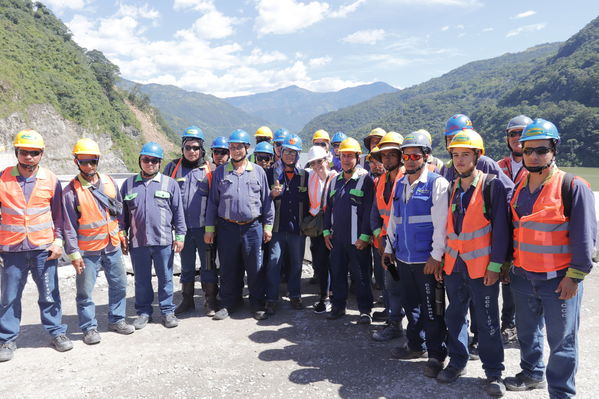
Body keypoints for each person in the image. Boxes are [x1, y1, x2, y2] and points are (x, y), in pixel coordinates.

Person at [504, 119, 596, 398]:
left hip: (559, 281)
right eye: (528, 150)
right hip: (522, 276)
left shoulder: (572, 186)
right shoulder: (520, 186)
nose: (533, 156)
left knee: (562, 343)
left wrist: (575, 276)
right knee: (527, 334)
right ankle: (532, 374)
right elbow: (516, 230)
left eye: (541, 150)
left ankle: (561, 393)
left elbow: (586, 237)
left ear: (554, 150)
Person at [437, 130, 512, 397]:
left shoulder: (492, 185)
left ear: (477, 156)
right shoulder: (453, 187)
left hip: (482, 268)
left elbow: (502, 229)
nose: (459, 160)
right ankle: (457, 362)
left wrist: (496, 265)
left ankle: (494, 372)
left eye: (465, 154)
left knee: (487, 319)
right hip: (455, 266)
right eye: (455, 155)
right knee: (455, 315)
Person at [0, 129, 72, 362]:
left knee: (49, 293)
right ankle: (7, 339)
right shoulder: (3, 178)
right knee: (9, 296)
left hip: (43, 248)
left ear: (41, 154)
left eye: (34, 153)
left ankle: (57, 332)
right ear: (16, 152)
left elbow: (59, 216)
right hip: (12, 249)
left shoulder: (50, 179)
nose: (29, 157)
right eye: (24, 152)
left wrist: (59, 241)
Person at [382, 130, 449, 378]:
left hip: (426, 261)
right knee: (412, 306)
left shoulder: (437, 184)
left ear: (426, 156)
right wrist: (389, 249)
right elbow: (393, 220)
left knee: (432, 309)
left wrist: (436, 256)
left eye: (415, 155)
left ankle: (435, 354)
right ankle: (414, 344)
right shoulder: (400, 184)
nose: (409, 159)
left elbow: (441, 225)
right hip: (403, 258)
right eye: (406, 155)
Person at [62, 138, 134, 346]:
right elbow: (69, 226)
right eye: (83, 162)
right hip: (88, 251)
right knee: (85, 291)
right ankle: (89, 327)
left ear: (98, 161)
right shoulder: (71, 192)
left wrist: (121, 234)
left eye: (92, 161)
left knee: (119, 284)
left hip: (111, 246)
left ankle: (117, 319)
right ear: (76, 162)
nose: (89, 166)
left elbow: (118, 211)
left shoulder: (110, 182)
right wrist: (74, 254)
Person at [204, 129, 274, 321]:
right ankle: (228, 303)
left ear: (247, 148)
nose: (235, 151)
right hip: (228, 228)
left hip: (253, 227)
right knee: (228, 267)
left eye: (239, 147)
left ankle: (257, 303)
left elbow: (267, 202)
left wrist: (267, 227)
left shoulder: (258, 172)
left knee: (255, 268)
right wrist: (210, 229)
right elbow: (212, 203)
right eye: (232, 147)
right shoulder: (220, 172)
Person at [121, 142, 186, 330]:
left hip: (163, 241)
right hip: (138, 241)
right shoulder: (129, 184)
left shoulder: (169, 183)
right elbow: (122, 215)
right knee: (141, 279)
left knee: (166, 277)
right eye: (146, 160)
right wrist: (121, 235)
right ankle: (143, 312)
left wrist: (180, 236)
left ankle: (167, 311)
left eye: (154, 160)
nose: (150, 163)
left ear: (159, 163)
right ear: (140, 161)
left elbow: (178, 213)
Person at [163, 126, 218, 317]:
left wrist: (210, 228)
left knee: (208, 266)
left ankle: (210, 301)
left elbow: (214, 202)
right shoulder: (172, 168)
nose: (192, 151)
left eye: (196, 147)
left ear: (202, 149)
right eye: (188, 147)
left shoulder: (210, 170)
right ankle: (187, 301)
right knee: (186, 267)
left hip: (204, 229)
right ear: (182, 148)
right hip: (182, 231)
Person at [323, 138, 374, 324]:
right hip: (337, 239)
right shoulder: (335, 180)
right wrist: (326, 232)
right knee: (337, 273)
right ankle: (338, 307)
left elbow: (369, 210)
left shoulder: (365, 180)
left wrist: (364, 236)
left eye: (350, 156)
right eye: (343, 156)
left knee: (361, 277)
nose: (346, 159)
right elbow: (328, 208)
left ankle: (365, 310)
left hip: (357, 240)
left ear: (357, 157)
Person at [496, 115, 533, 344]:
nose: (517, 138)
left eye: (522, 133)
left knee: (526, 282)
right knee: (507, 280)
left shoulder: (538, 165)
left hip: (528, 234)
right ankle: (507, 324)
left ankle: (526, 327)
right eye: (513, 133)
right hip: (504, 231)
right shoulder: (499, 166)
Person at [265, 134, 309, 314]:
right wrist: (271, 195)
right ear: (280, 152)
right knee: (274, 262)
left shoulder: (304, 176)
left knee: (297, 263)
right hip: (276, 228)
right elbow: (260, 199)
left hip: (297, 229)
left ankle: (295, 295)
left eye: (294, 152)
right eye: (287, 151)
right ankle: (272, 298)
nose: (290, 155)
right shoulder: (270, 173)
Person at [369, 132, 406, 340]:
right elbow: (375, 212)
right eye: (384, 155)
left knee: (408, 286)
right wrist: (379, 238)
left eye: (393, 154)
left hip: (406, 244)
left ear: (401, 156)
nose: (388, 159)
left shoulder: (408, 178)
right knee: (391, 283)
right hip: (386, 242)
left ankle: (417, 332)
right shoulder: (381, 181)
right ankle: (394, 323)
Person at [305, 145, 337, 313]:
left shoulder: (336, 178)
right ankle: (324, 295)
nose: (317, 166)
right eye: (313, 163)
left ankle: (332, 296)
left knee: (333, 263)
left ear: (327, 160)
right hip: (317, 228)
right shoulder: (310, 176)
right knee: (320, 263)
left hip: (332, 227)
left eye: (320, 161)